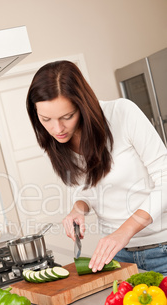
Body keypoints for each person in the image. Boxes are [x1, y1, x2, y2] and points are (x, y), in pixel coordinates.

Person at [26, 60, 167, 275]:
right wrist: (78, 208)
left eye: (67, 117)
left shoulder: (122, 113)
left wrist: (124, 232)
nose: (57, 129)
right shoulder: (55, 142)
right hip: (118, 257)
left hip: (162, 247)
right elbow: (88, 189)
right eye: (46, 119)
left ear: (83, 105)